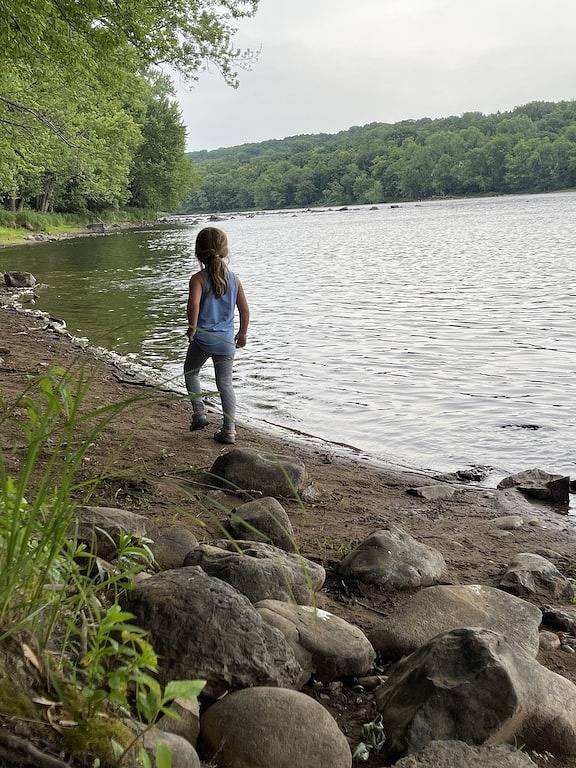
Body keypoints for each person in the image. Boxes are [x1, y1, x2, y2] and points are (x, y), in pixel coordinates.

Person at [184, 227, 249, 444]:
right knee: (225, 384)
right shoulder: (234, 279)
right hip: (225, 342)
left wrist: (192, 328)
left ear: (198, 253)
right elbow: (244, 310)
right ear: (224, 250)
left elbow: (193, 305)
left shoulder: (198, 279)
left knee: (191, 373)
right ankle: (229, 430)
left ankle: (199, 414)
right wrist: (242, 333)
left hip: (203, 339)